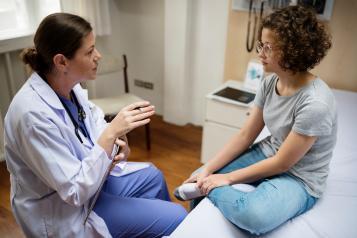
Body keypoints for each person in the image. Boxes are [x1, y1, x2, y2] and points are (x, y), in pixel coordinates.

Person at [4, 13, 186, 238]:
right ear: (61, 61)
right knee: (177, 216)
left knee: (153, 176)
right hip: (65, 210)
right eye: (89, 52)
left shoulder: (69, 87)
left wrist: (118, 143)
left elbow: (95, 122)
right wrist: (112, 133)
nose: (98, 56)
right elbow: (74, 191)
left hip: (92, 187)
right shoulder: (32, 116)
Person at [179, 5, 336, 235]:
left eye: (268, 47)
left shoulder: (316, 104)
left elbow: (284, 164)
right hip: (270, 152)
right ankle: (202, 192)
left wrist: (223, 179)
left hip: (300, 176)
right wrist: (209, 169)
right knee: (198, 175)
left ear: (292, 51)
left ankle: (207, 190)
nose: (260, 52)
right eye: (261, 44)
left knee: (254, 216)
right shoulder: (269, 83)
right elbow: (245, 135)